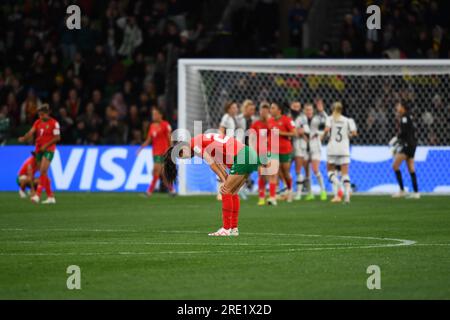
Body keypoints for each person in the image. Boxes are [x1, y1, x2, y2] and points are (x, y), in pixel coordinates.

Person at [162, 133, 262, 236]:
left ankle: (226, 229)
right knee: (232, 192)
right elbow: (217, 162)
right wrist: (225, 178)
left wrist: (224, 181)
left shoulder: (195, 145)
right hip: (248, 153)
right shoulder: (200, 141)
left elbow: (212, 164)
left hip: (243, 156)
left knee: (226, 191)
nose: (184, 158)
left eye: (181, 155)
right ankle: (233, 229)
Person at [19, 104, 61, 204]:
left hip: (48, 149)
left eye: (42, 115)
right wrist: (24, 138)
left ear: (48, 113)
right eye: (39, 115)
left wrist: (46, 146)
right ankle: (50, 197)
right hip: (38, 149)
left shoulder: (54, 123)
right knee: (44, 174)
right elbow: (31, 132)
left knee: (42, 171)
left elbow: (57, 138)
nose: (40, 117)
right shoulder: (38, 122)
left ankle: (37, 195)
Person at [323, 102, 356, 203]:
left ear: (332, 109)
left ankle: (337, 184)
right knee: (345, 174)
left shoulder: (330, 118)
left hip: (333, 148)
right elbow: (354, 133)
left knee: (330, 171)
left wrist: (323, 136)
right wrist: (347, 135)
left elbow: (327, 129)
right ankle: (347, 196)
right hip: (344, 148)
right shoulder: (348, 120)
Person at [138, 107, 174, 196]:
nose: (153, 116)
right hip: (155, 153)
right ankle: (172, 191)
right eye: (153, 114)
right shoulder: (152, 126)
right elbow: (149, 140)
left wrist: (171, 149)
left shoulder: (166, 125)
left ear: (160, 115)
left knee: (156, 171)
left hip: (164, 152)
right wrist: (141, 148)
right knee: (161, 173)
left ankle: (149, 192)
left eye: (155, 114)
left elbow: (170, 138)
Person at [267, 102, 297, 204]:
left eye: (273, 108)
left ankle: (289, 191)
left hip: (285, 150)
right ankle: (272, 197)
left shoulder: (287, 120)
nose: (271, 110)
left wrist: (281, 133)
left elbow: (294, 133)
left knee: (286, 173)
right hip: (273, 150)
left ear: (279, 110)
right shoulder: (270, 121)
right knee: (273, 172)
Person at [392, 101, 420, 199]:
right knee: (411, 168)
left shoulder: (404, 118)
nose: (397, 107)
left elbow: (404, 133)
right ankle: (416, 192)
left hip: (408, 145)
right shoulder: (409, 117)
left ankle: (402, 190)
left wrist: (396, 138)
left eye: (399, 106)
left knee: (395, 166)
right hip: (412, 144)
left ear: (403, 108)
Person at [301, 102, 328, 201]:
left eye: (310, 110)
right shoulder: (301, 120)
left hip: (315, 147)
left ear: (313, 111)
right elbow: (298, 130)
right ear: (304, 111)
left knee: (315, 169)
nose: (308, 112)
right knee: (307, 171)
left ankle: (323, 191)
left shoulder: (317, 119)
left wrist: (322, 111)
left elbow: (327, 123)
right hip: (305, 148)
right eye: (307, 110)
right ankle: (310, 193)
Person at [249, 102, 273, 206]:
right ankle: (262, 197)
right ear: (260, 111)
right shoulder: (256, 123)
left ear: (268, 112)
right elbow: (251, 136)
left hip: (269, 151)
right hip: (258, 152)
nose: (263, 113)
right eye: (262, 110)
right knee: (261, 174)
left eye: (266, 111)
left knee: (270, 173)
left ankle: (272, 196)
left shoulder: (271, 123)